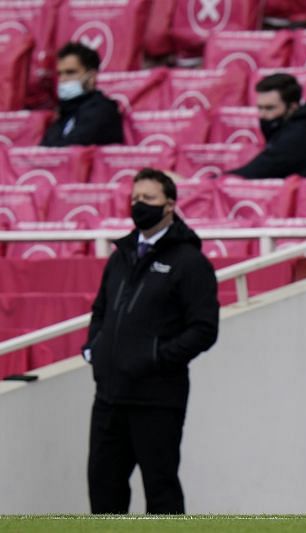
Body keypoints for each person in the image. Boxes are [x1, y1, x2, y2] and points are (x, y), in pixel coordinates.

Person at [83, 168, 219, 514]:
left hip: (157, 399)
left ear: (169, 205)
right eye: (134, 199)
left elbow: (204, 329)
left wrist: (156, 357)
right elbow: (100, 310)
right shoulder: (120, 257)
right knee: (103, 490)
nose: (139, 205)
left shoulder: (189, 262)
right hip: (110, 397)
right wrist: (93, 348)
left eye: (148, 199)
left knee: (161, 492)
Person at [228, 73, 306, 179]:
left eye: (270, 108)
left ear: (293, 107)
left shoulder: (298, 136)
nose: (262, 115)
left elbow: (256, 171)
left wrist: (216, 180)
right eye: (260, 108)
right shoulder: (294, 129)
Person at [40, 42, 124, 147]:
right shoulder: (65, 112)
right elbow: (44, 149)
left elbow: (75, 147)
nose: (62, 79)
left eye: (70, 72)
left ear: (91, 77)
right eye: (60, 74)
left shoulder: (102, 110)